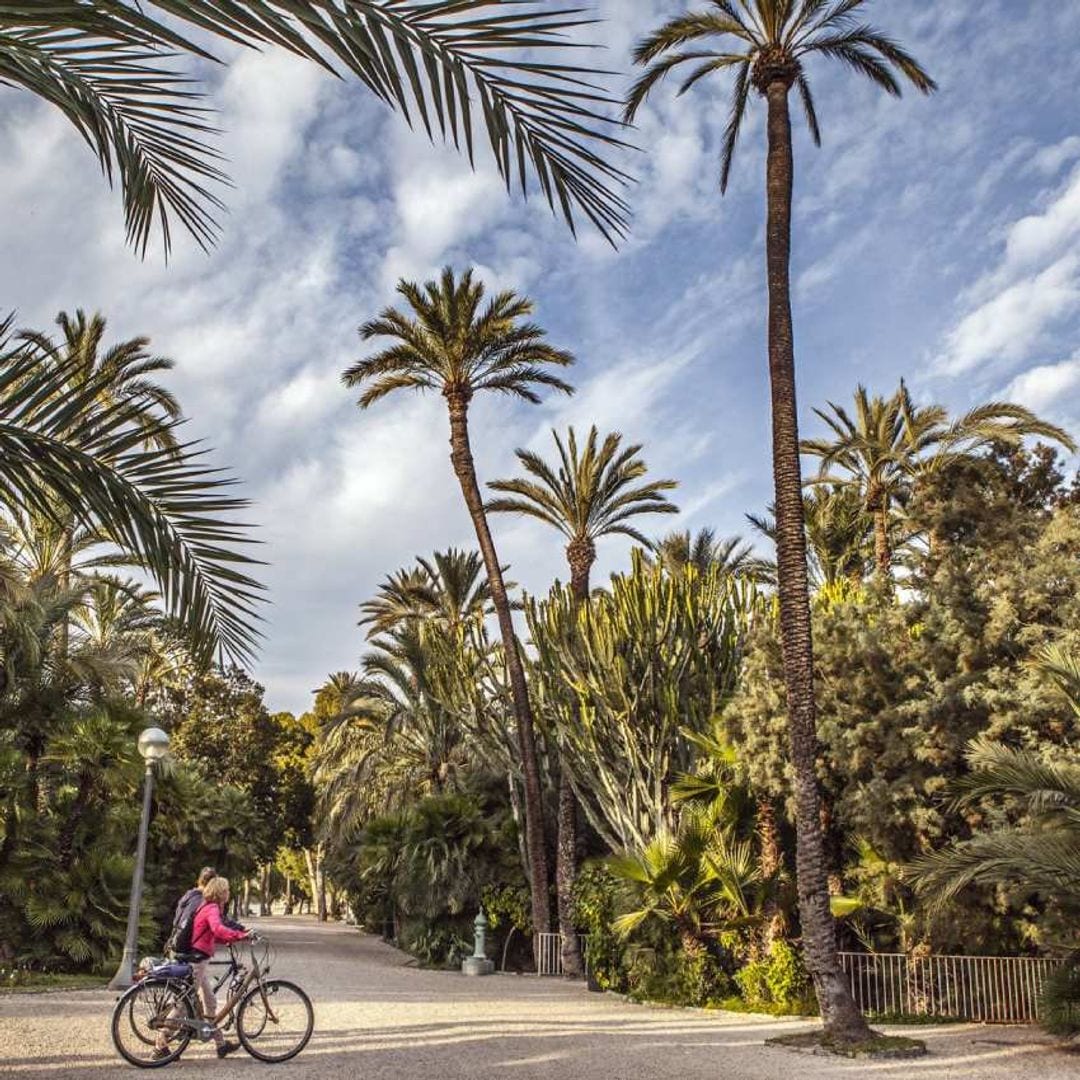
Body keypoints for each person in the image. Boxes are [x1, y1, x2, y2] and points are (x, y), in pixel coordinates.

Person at [155, 875, 250, 1060]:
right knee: (183, 1004)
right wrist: (240, 936)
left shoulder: (206, 906)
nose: (229, 893)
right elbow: (218, 929)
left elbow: (215, 935)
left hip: (200, 960)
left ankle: (220, 1044)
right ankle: (160, 1044)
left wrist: (236, 935)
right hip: (197, 962)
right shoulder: (212, 908)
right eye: (227, 890)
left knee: (210, 1001)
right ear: (221, 892)